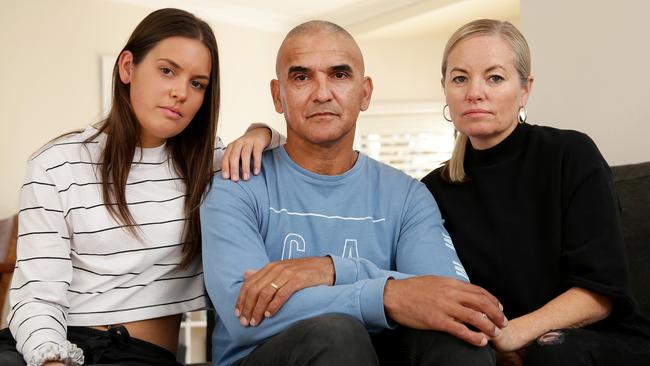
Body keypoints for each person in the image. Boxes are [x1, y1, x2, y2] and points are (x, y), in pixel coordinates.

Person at [201, 20, 507, 366]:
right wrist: (387, 294)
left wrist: (332, 271)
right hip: (264, 357)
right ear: (277, 95)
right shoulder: (236, 182)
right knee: (336, 335)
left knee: (460, 341)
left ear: (365, 93)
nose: (321, 93)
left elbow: (446, 299)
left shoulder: (407, 196)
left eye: (340, 75)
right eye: (301, 77)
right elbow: (246, 314)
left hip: (380, 355)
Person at [0, 8, 281, 366]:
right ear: (127, 67)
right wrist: (52, 360)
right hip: (48, 346)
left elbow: (294, 157)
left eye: (198, 83)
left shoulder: (209, 164)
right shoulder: (55, 163)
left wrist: (261, 132)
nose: (181, 92)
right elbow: (37, 295)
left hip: (140, 354)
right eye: (167, 71)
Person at [421, 19, 650, 366]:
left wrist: (511, 335)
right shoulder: (431, 191)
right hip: (493, 346)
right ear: (445, 89)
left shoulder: (570, 154)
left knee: (553, 352)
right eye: (460, 78)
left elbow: (600, 295)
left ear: (525, 89)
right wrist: (493, 345)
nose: (474, 92)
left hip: (596, 341)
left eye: (494, 77)